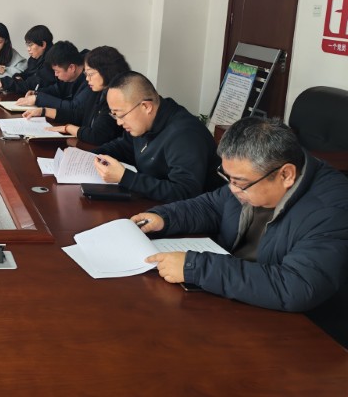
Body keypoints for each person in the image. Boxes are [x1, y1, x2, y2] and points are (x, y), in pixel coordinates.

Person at [132, 116, 348, 346]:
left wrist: (195, 268)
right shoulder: (255, 175)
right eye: (228, 177)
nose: (232, 189)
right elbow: (212, 206)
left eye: (239, 182)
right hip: (237, 295)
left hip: (299, 334)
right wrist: (163, 218)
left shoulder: (331, 210)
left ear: (286, 175)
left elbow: (296, 286)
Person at [92, 71, 222, 202]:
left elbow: (185, 192)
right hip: (155, 203)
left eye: (120, 114)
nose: (119, 122)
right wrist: (92, 156)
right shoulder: (143, 124)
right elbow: (124, 146)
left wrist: (125, 177)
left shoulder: (185, 135)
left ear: (146, 106)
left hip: (196, 210)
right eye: (114, 114)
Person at [43, 45, 129, 145]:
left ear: (106, 72)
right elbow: (79, 115)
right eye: (86, 74)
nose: (87, 79)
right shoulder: (97, 91)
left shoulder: (116, 99)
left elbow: (97, 136)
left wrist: (68, 128)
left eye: (90, 74)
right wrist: (44, 111)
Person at [16, 41, 90, 112]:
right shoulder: (69, 76)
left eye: (57, 71)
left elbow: (73, 107)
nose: (55, 74)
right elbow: (57, 89)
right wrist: (37, 93)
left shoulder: (90, 80)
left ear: (71, 68)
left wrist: (39, 99)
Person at [0, 25, 55, 94]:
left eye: (30, 45)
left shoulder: (52, 62)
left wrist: (4, 83)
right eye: (27, 45)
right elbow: (26, 74)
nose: (28, 49)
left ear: (43, 44)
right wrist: (18, 76)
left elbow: (30, 85)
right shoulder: (34, 59)